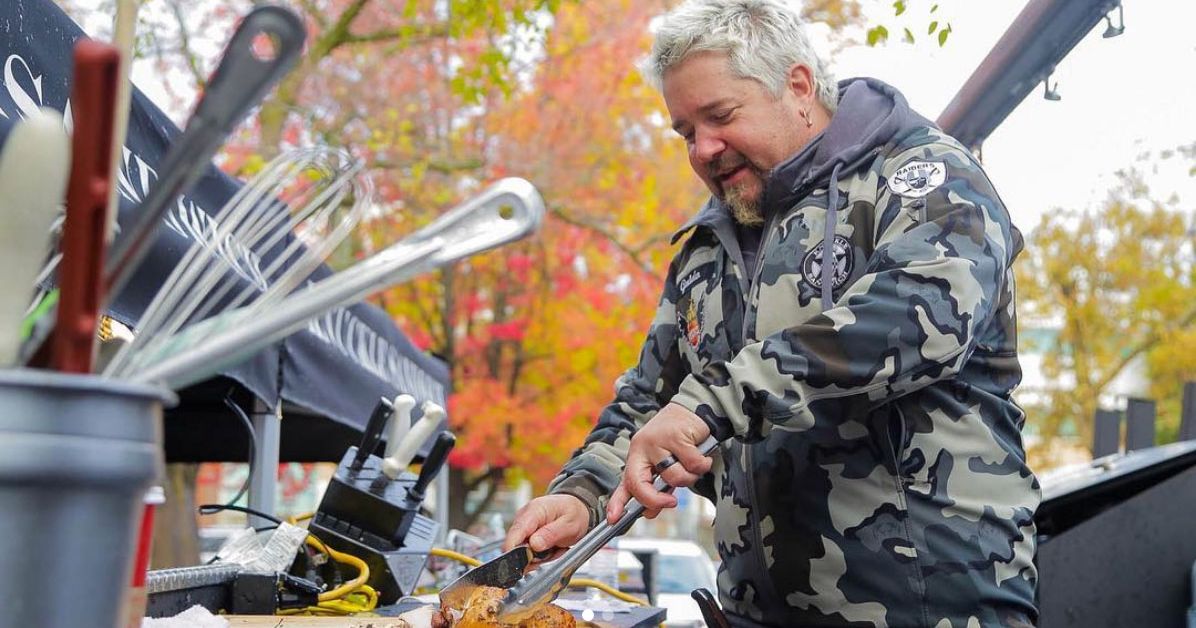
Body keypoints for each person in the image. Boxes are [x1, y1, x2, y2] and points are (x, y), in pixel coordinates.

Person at [504, 0, 1039, 625]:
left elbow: (920, 317)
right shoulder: (709, 248)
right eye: (684, 131)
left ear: (799, 86)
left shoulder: (921, 178)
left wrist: (712, 401)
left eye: (720, 116)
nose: (703, 148)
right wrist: (583, 493)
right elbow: (653, 399)